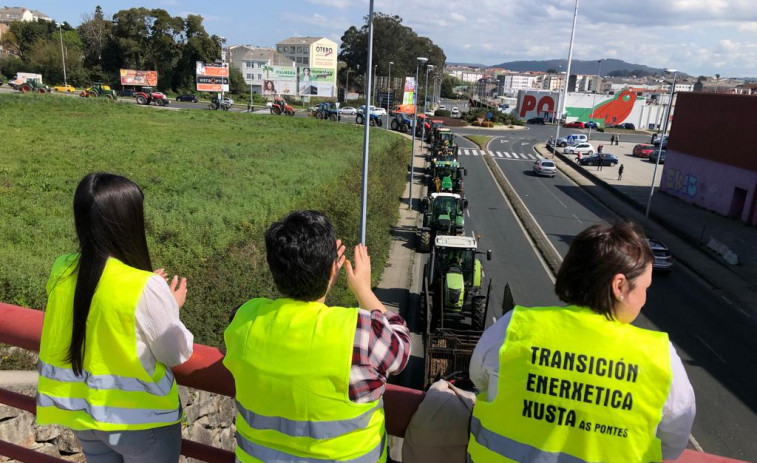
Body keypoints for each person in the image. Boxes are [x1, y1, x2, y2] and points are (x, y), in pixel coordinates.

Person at [468, 222, 695, 463]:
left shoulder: (513, 327)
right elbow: (672, 443)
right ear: (619, 285)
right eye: (645, 287)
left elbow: (479, 378)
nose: (645, 298)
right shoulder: (660, 358)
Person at [224, 210, 410, 463]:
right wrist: (363, 290)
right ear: (335, 269)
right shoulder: (360, 332)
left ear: (273, 267)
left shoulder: (244, 320)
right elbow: (400, 345)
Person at [37, 172, 194, 462]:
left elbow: (99, 300)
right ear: (129, 220)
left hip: (85, 416)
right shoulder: (144, 286)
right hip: (142, 423)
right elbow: (175, 353)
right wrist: (168, 305)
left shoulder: (62, 268)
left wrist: (149, 291)